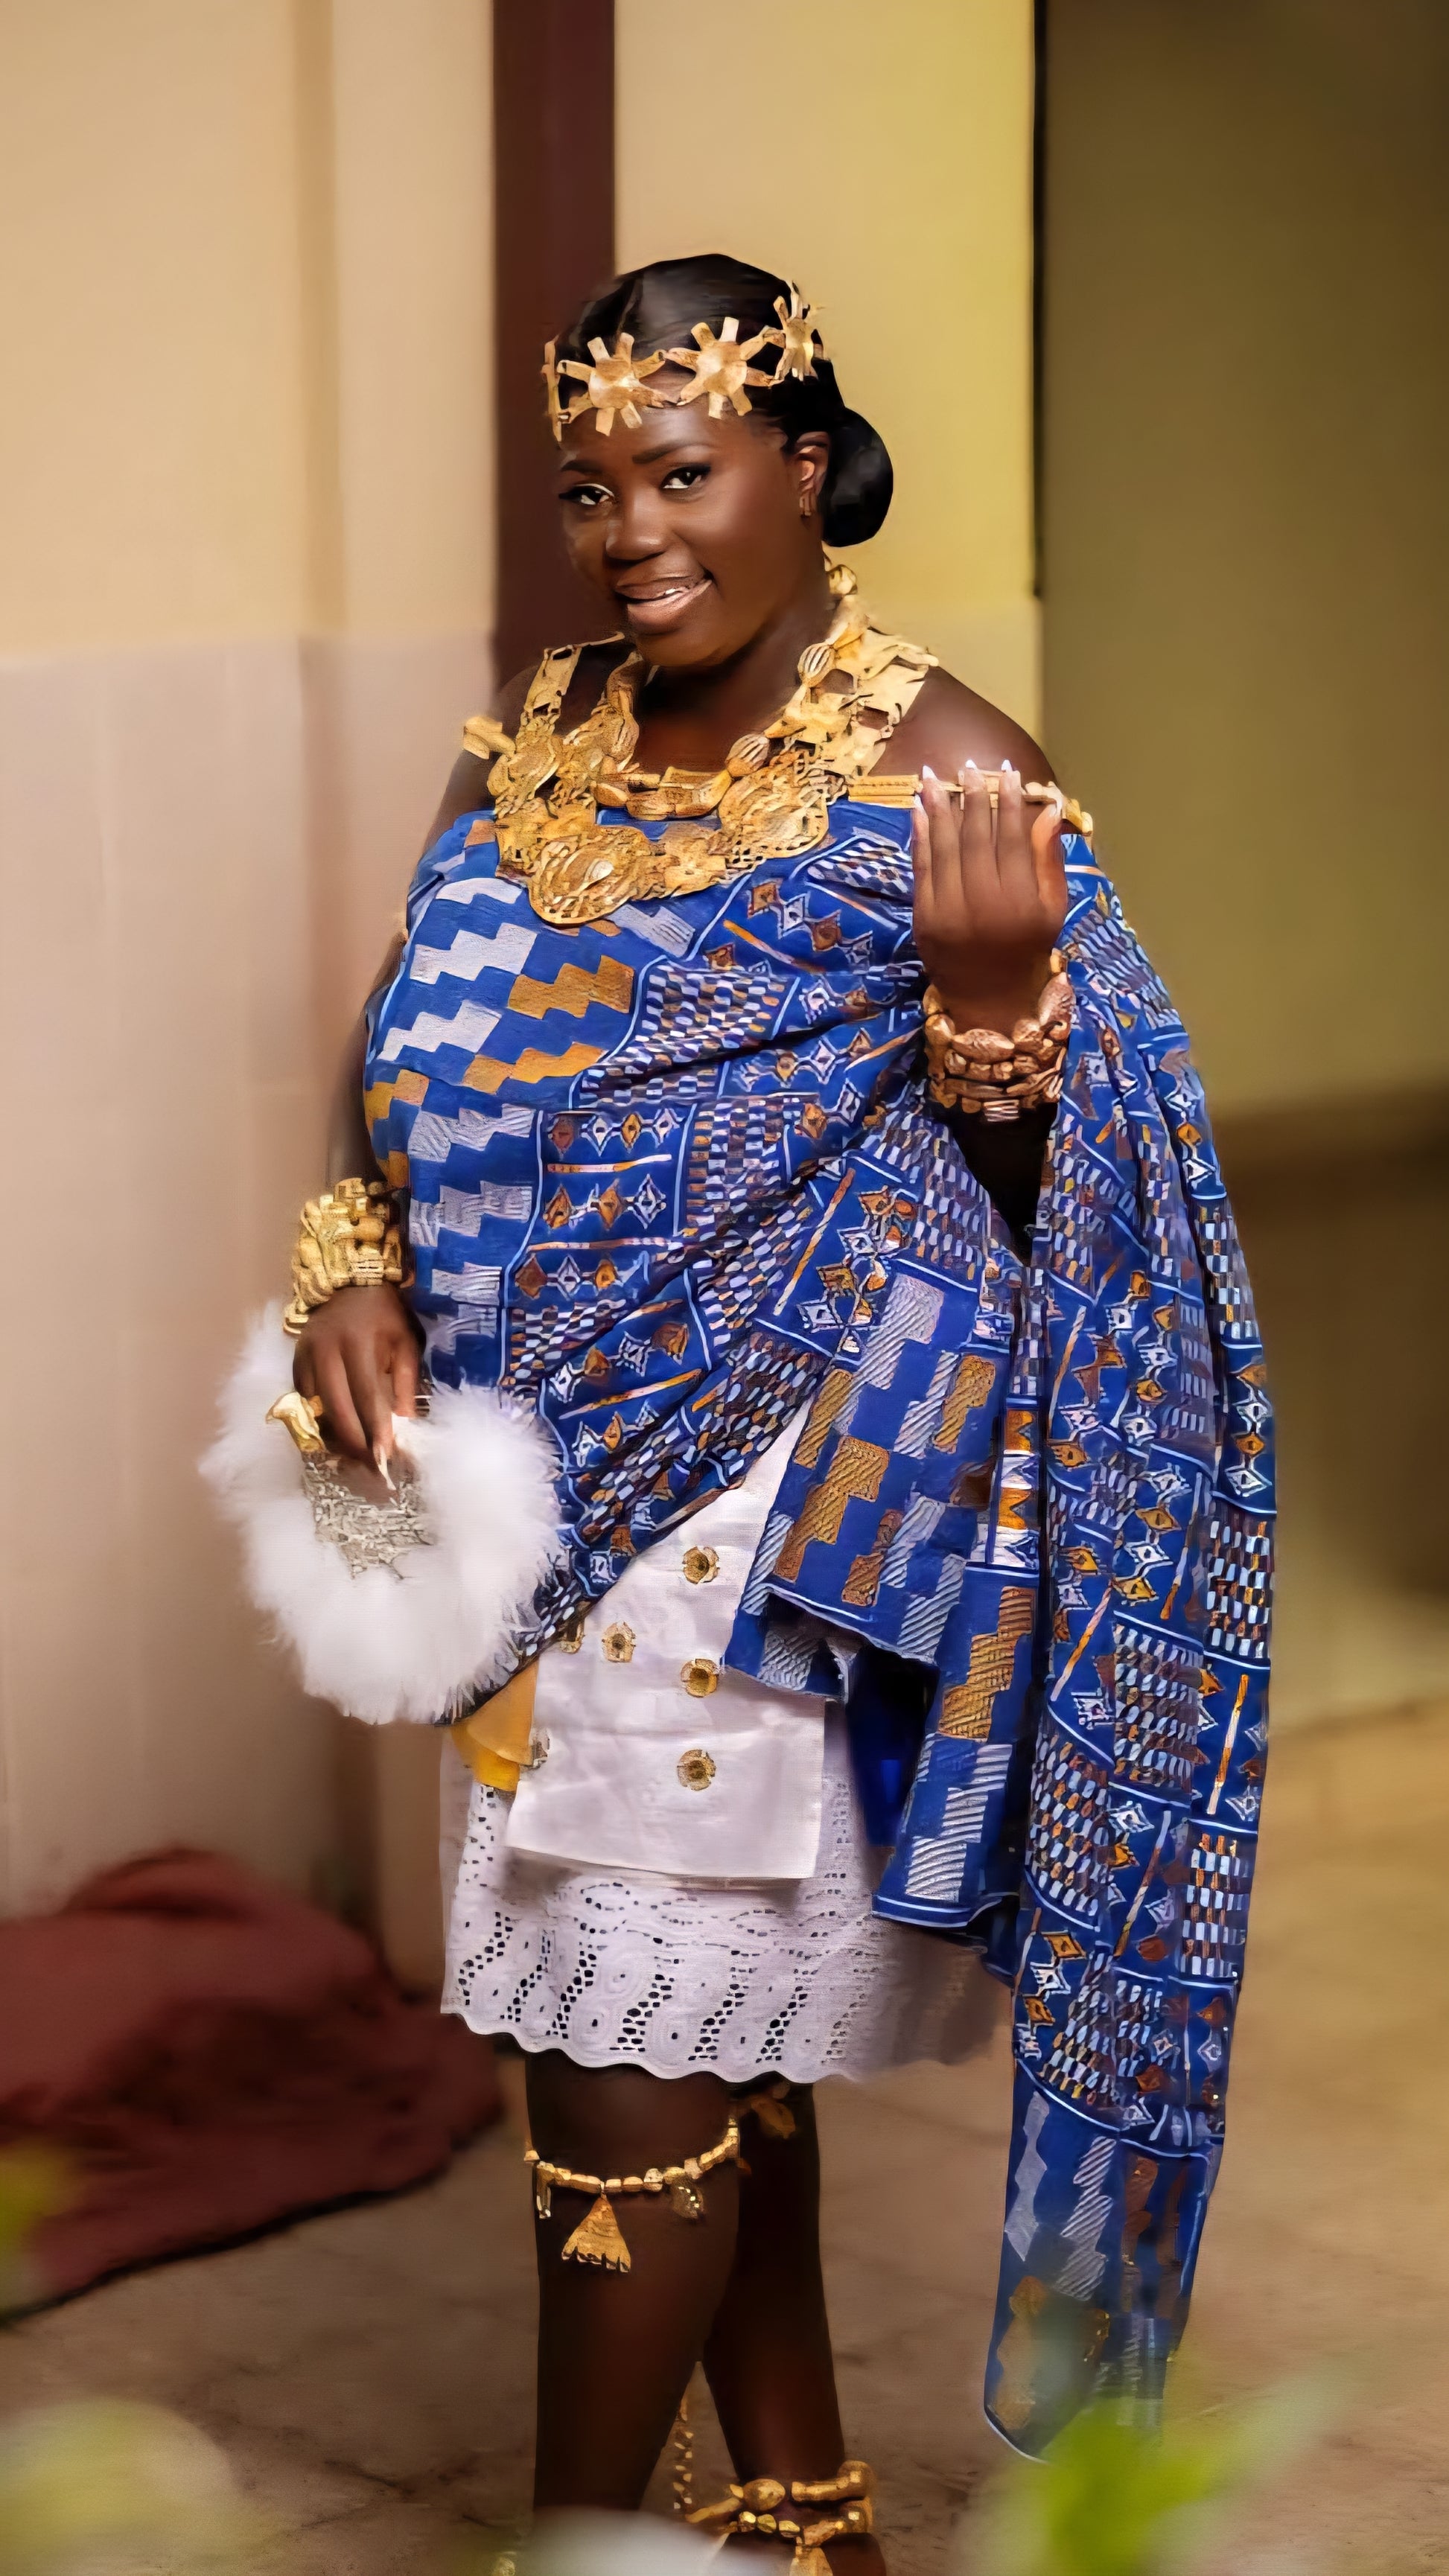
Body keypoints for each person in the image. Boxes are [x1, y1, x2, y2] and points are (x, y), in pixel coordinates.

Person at [282, 256, 1273, 2566]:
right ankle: (804, 2513)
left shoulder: (945, 767)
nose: (627, 533)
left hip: (766, 1531)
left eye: (679, 473)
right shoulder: (539, 734)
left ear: (803, 466)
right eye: (587, 488)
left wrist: (996, 1004)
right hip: (521, 1516)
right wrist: (352, 1269)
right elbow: (397, 1053)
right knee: (669, 2036)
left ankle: (575, 2547)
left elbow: (1101, 1216)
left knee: (623, 2083)